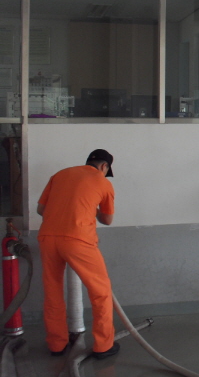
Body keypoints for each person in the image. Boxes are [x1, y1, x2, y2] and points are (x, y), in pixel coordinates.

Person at [37, 149, 120, 358]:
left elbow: (41, 210)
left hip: (48, 237)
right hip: (78, 239)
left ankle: (56, 345)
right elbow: (107, 220)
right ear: (104, 166)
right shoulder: (103, 182)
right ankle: (103, 346)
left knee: (53, 290)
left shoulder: (59, 175)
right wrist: (91, 209)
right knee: (100, 291)